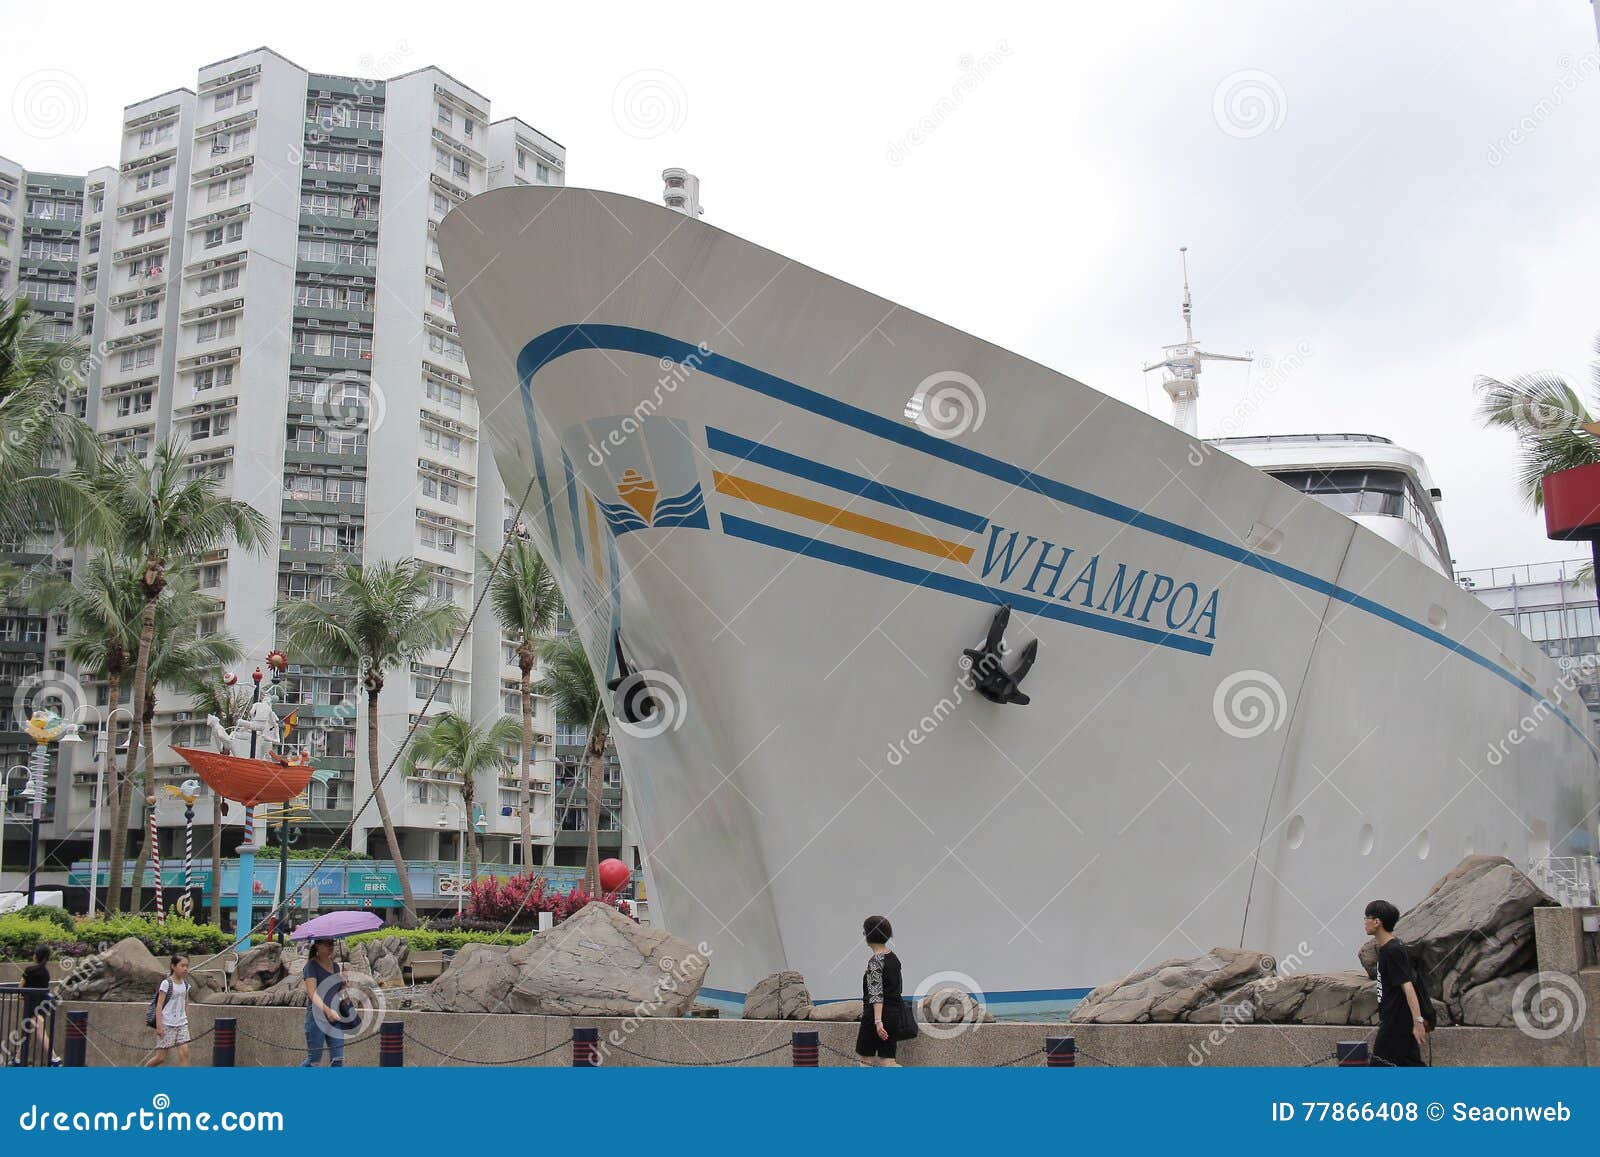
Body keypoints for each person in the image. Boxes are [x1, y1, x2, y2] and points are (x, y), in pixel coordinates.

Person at [1364, 900, 1427, 1067]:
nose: (1365, 922)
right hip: (1396, 1021)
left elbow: (1408, 987)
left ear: (1377, 922)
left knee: (1379, 1067)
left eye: (1366, 918)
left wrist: (1417, 1021)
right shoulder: (1390, 948)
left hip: (1396, 1024)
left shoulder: (1393, 950)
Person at [855, 914, 907, 1067]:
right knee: (888, 1061)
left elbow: (876, 994)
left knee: (867, 1060)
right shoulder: (894, 958)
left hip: (875, 1017)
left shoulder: (875, 961)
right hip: (894, 1014)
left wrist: (878, 1021)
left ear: (869, 935)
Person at [301, 938, 347, 1067]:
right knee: (314, 1060)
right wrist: (328, 1011)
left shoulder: (336, 966)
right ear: (317, 946)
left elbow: (339, 994)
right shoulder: (311, 966)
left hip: (335, 1017)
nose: (331, 946)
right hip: (317, 1018)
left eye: (332, 943)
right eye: (327, 944)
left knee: (338, 1059)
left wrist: (343, 985)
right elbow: (312, 993)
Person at [145, 955, 191, 1067]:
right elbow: (159, 1005)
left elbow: (185, 1002)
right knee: (160, 1058)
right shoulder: (166, 983)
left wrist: (185, 1018)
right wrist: (159, 1025)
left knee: (185, 1052)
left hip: (181, 1023)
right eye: (182, 965)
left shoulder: (186, 985)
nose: (185, 968)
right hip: (167, 1023)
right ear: (173, 966)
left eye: (187, 966)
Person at [20, 946, 61, 1067]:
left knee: (40, 1033)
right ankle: (17, 1058)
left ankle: (54, 1058)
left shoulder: (29, 970)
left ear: (36, 956)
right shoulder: (46, 973)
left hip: (31, 1006)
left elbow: (20, 986)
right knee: (27, 1032)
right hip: (42, 1005)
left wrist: (22, 995)